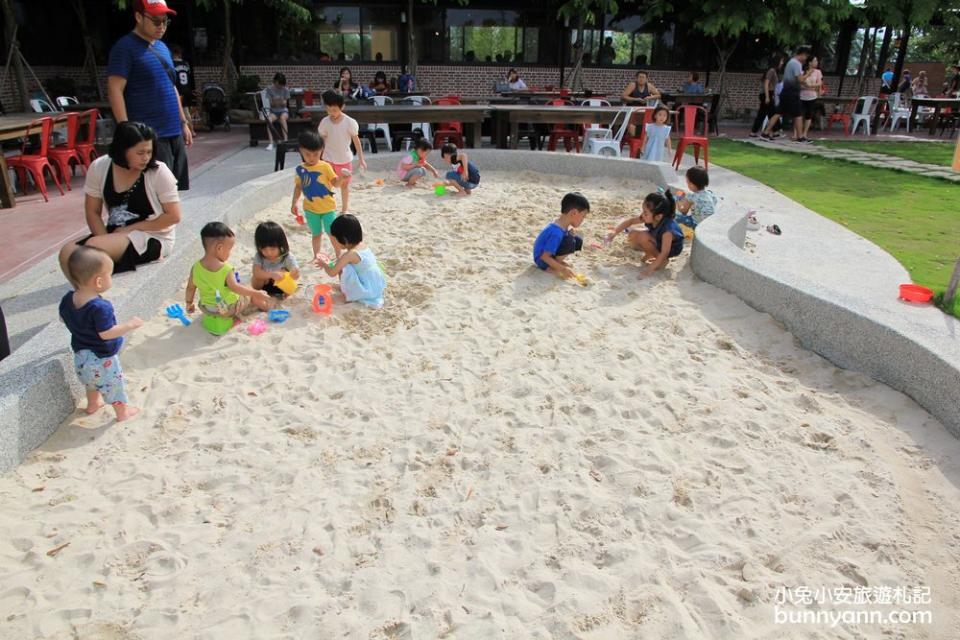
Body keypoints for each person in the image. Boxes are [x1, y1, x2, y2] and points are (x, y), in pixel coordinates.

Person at [58, 122, 181, 282]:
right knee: (67, 252)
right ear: (123, 150)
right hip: (114, 234)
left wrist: (131, 228)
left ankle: (92, 297)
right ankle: (84, 297)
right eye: (140, 152)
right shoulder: (99, 167)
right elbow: (92, 211)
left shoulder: (159, 171)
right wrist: (104, 239)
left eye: (149, 152)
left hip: (152, 236)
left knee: (91, 251)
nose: (146, 158)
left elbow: (173, 216)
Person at [107, 0, 192, 191]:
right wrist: (126, 130)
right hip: (150, 136)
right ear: (138, 17)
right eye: (156, 21)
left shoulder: (162, 47)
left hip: (173, 131)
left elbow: (172, 87)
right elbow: (114, 90)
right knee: (155, 193)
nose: (161, 26)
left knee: (173, 192)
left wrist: (183, 122)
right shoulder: (124, 48)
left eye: (165, 21)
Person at [59, 246, 142, 422]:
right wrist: (129, 325)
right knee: (114, 386)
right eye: (109, 275)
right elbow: (106, 333)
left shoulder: (68, 299)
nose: (110, 279)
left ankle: (93, 404)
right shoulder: (100, 307)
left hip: (81, 356)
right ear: (98, 282)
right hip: (103, 358)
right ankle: (122, 413)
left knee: (91, 383)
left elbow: (62, 318)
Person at [185, 222, 272, 335]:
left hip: (207, 308)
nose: (230, 253)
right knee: (249, 293)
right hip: (226, 309)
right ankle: (267, 307)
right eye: (229, 249)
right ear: (220, 248)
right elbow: (236, 288)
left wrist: (189, 303)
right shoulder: (226, 269)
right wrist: (257, 293)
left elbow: (190, 288)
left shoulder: (195, 267)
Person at [290, 130, 344, 262]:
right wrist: (294, 203)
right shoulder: (300, 169)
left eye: (316, 154)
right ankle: (316, 256)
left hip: (328, 208)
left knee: (332, 234)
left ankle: (339, 255)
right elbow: (298, 187)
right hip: (310, 209)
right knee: (316, 234)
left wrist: (343, 178)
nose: (312, 158)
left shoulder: (325, 167)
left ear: (322, 150)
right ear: (301, 151)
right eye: (307, 154)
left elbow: (335, 183)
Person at [605, 191, 682, 278]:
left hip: (670, 248)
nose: (642, 215)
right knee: (633, 235)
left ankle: (662, 261)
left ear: (658, 217)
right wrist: (614, 232)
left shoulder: (667, 231)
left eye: (645, 213)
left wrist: (649, 270)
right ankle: (651, 253)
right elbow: (630, 221)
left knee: (643, 237)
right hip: (658, 240)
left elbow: (665, 252)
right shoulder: (651, 217)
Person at [317, 214, 386, 309]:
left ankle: (348, 293)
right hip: (376, 284)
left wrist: (324, 265)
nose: (335, 241)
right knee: (342, 263)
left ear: (344, 239)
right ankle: (347, 289)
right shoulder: (362, 246)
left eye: (336, 239)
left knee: (344, 267)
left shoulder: (350, 255)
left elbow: (332, 272)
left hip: (368, 290)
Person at [317, 90, 367, 215]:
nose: (331, 113)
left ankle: (344, 209)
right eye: (328, 110)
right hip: (328, 159)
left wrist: (361, 159)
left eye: (334, 110)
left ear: (342, 107)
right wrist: (318, 159)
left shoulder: (349, 122)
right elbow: (321, 141)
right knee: (328, 185)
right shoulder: (325, 122)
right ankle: (329, 208)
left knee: (344, 186)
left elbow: (356, 141)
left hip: (344, 159)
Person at [533, 192, 590, 280]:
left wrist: (570, 234)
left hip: (546, 255)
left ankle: (556, 262)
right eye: (583, 216)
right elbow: (544, 257)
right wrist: (562, 269)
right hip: (542, 260)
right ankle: (552, 266)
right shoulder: (556, 233)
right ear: (574, 213)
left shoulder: (561, 224)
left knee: (577, 238)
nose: (583, 220)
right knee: (570, 240)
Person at [762, 45, 812, 142]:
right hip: (792, 92)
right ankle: (800, 137)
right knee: (798, 114)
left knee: (778, 112)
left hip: (786, 91)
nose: (805, 59)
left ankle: (765, 132)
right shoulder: (796, 64)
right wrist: (808, 74)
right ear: (803, 54)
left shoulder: (791, 62)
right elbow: (800, 79)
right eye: (806, 57)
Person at [251, 221, 300, 300]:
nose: (268, 252)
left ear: (280, 245)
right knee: (257, 277)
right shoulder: (259, 256)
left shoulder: (287, 256)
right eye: (264, 249)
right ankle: (258, 293)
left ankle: (286, 295)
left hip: (281, 287)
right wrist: (271, 275)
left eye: (272, 249)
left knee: (284, 271)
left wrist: (294, 274)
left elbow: (296, 274)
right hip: (264, 286)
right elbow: (256, 272)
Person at [750, 54, 783, 137]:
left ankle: (755, 132)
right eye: (781, 61)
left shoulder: (774, 71)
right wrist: (767, 97)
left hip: (768, 94)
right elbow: (766, 84)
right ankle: (774, 131)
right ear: (777, 61)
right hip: (766, 94)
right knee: (773, 112)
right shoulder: (771, 70)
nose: (782, 63)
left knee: (766, 113)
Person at [170, 44, 196, 134]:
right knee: (186, 111)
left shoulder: (171, 64)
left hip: (179, 91)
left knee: (183, 111)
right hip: (187, 89)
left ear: (174, 54)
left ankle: (191, 130)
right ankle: (190, 130)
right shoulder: (186, 64)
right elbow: (190, 77)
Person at [264, 72, 291, 152]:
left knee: (283, 118)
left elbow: (285, 103)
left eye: (282, 85)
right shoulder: (269, 89)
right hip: (274, 111)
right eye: (279, 84)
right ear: (275, 82)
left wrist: (279, 101)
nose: (280, 86)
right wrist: (276, 101)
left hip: (283, 110)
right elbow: (271, 104)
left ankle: (286, 141)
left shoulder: (285, 89)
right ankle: (271, 143)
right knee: (269, 120)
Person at [799, 55, 823, 142]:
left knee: (809, 116)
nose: (816, 62)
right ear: (810, 62)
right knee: (800, 115)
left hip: (812, 97)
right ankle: (799, 134)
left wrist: (811, 86)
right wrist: (808, 86)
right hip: (802, 96)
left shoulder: (818, 72)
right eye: (815, 61)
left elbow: (819, 83)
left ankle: (805, 134)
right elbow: (801, 83)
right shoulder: (803, 71)